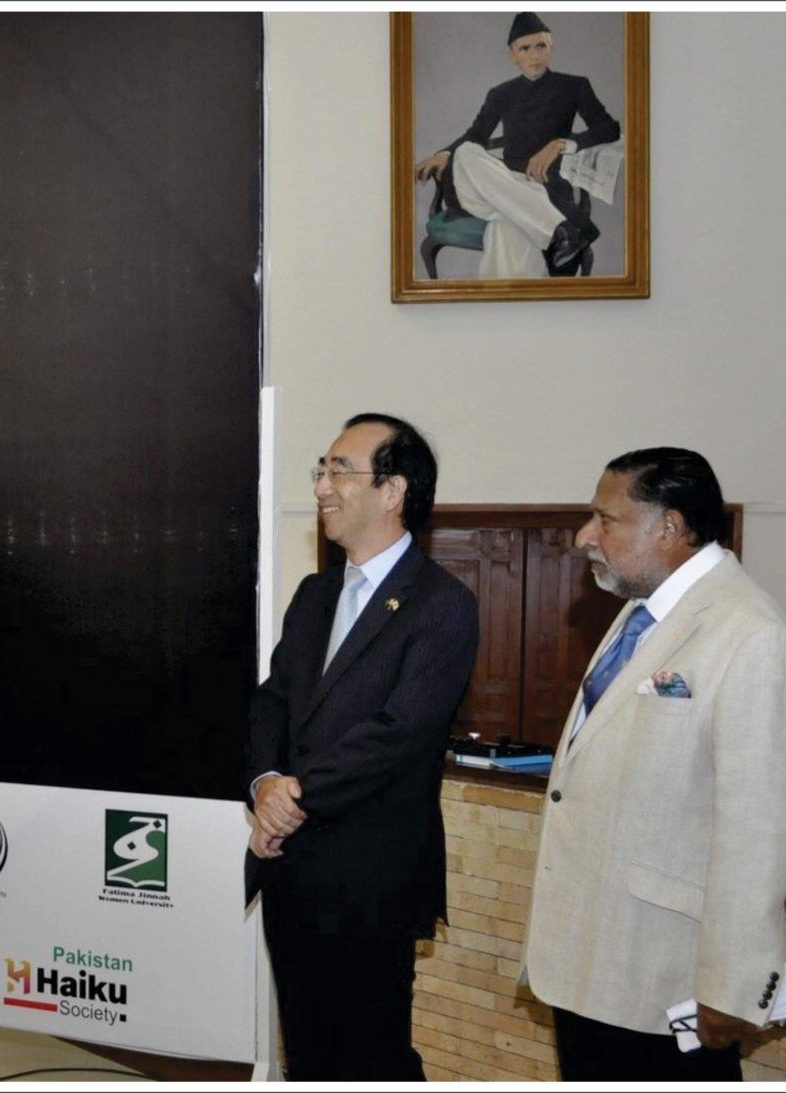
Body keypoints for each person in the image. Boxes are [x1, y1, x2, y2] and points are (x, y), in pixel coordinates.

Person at [522, 448, 786, 1081]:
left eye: (606, 520)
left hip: (664, 980)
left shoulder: (749, 633)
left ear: (670, 527)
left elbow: (760, 829)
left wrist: (734, 986)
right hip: (592, 962)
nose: (583, 538)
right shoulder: (640, 612)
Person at [245, 413, 479, 1081]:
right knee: (310, 1055)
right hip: (292, 872)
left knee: (372, 1058)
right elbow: (273, 702)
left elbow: (398, 732)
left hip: (371, 878)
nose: (321, 485)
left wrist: (295, 796)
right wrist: (265, 781)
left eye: (338, 469)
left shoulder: (442, 604)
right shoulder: (316, 594)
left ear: (392, 489)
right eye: (321, 469)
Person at [412, 11, 622, 278]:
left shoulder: (574, 86)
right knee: (466, 152)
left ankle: (514, 310)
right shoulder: (500, 93)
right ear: (513, 56)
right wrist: (444, 154)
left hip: (545, 185)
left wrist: (562, 143)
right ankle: (560, 231)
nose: (534, 55)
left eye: (541, 46)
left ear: (551, 49)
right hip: (502, 183)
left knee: (508, 225)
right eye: (525, 48)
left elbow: (609, 128)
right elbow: (475, 135)